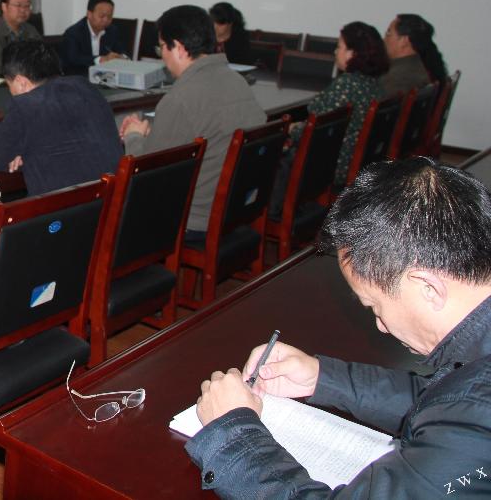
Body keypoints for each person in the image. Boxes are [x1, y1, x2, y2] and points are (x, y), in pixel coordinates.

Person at [187, 157, 491, 497]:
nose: (381, 326)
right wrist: (320, 377)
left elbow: (463, 413)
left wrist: (233, 432)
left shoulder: (477, 419)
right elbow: (444, 399)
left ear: (429, 288)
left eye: (374, 306)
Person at [120, 5, 265, 237]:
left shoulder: (180, 98)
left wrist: (133, 136)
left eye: (162, 47)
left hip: (194, 219)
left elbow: (148, 174)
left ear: (178, 48)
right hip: (238, 207)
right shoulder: (238, 81)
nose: (162, 56)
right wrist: (154, 133)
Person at [0, 40, 122, 196]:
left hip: (64, 209)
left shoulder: (25, 106)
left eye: (9, 86)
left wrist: (18, 154)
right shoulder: (86, 87)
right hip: (114, 202)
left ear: (21, 83)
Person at [300, 21, 388, 188]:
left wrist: (291, 130)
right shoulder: (374, 84)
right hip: (359, 160)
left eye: (339, 47)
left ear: (352, 53)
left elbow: (314, 128)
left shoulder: (347, 84)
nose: (335, 51)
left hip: (334, 164)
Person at [58, 0, 129, 76]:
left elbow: (123, 51)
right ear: (89, 14)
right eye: (102, 16)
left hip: (105, 77)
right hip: (79, 76)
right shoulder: (73, 33)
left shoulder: (112, 31)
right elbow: (73, 59)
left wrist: (121, 57)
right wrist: (100, 59)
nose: (106, 20)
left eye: (109, 16)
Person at [381, 13, 448, 94]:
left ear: (404, 40)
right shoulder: (421, 67)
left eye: (388, 33)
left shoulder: (396, 78)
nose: (384, 39)